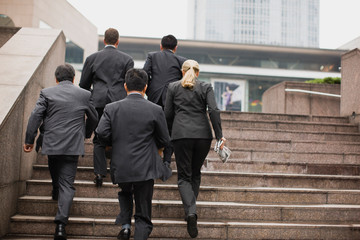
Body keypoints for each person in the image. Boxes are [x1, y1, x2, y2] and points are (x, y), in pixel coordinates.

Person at [23, 64, 98, 240]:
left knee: (54, 167)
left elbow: (36, 115)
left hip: (52, 143)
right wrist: (86, 133)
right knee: (67, 184)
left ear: (56, 79)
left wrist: (29, 139)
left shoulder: (47, 93)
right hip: (72, 145)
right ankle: (61, 226)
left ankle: (56, 189)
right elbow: (94, 118)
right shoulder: (84, 94)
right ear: (73, 79)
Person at [95, 68, 171, 240]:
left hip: (121, 165)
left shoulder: (111, 108)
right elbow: (165, 140)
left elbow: (101, 133)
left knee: (125, 192)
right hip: (145, 167)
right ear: (145, 87)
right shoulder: (156, 109)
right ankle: (136, 232)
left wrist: (115, 142)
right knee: (143, 212)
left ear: (125, 86)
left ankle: (126, 227)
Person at [164, 60, 226, 238]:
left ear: (182, 72)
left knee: (184, 176)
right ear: (197, 73)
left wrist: (166, 136)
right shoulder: (206, 86)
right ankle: (190, 210)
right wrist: (219, 135)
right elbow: (213, 110)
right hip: (202, 135)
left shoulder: (173, 87)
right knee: (195, 173)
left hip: (181, 134)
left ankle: (191, 212)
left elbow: (168, 113)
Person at [79, 28, 134, 187]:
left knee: (99, 139)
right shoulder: (127, 59)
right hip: (119, 104)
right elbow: (130, 84)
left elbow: (83, 85)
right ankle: (116, 172)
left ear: (104, 41)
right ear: (117, 41)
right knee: (118, 137)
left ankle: (99, 173)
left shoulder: (92, 58)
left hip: (98, 103)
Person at [143, 34, 186, 164]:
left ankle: (151, 157)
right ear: (176, 48)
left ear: (161, 46)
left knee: (151, 127)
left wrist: (149, 88)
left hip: (154, 97)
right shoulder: (181, 60)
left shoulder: (152, 56)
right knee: (170, 130)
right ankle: (167, 161)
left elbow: (144, 73)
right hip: (172, 99)